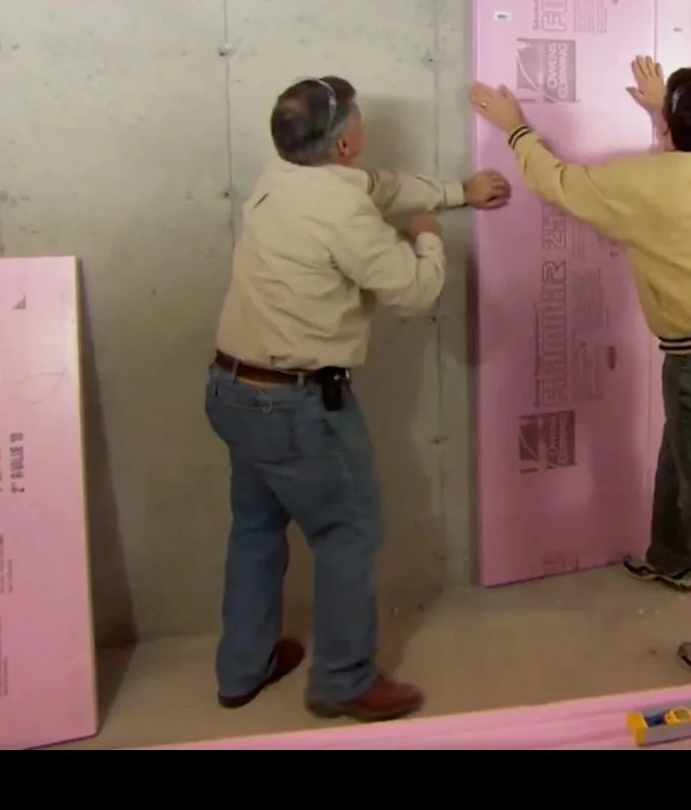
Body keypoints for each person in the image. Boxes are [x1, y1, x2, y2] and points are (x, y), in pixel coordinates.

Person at [207, 75, 510, 722]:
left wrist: (459, 192)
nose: (365, 129)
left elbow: (382, 186)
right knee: (349, 533)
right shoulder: (341, 212)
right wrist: (428, 236)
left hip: (233, 389)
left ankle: (242, 667)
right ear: (345, 142)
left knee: (257, 528)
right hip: (295, 407)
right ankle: (343, 684)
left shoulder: (281, 176)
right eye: (360, 122)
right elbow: (412, 291)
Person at [469, 58, 691, 678]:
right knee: (683, 449)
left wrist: (515, 128)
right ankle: (670, 558)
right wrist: (666, 112)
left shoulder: (646, 183)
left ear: (668, 130)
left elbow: (558, 183)